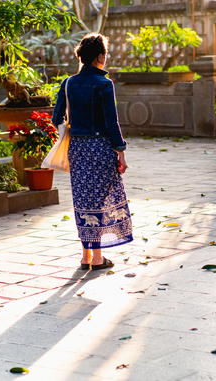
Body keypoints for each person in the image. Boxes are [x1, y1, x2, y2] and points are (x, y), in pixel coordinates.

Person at [52, 33, 132, 271]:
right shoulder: (104, 84)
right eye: (105, 53)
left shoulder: (68, 83)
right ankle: (97, 259)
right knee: (98, 200)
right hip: (100, 148)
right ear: (100, 56)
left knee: (82, 199)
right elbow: (111, 123)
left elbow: (56, 117)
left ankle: (86, 255)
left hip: (77, 148)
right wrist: (121, 151)